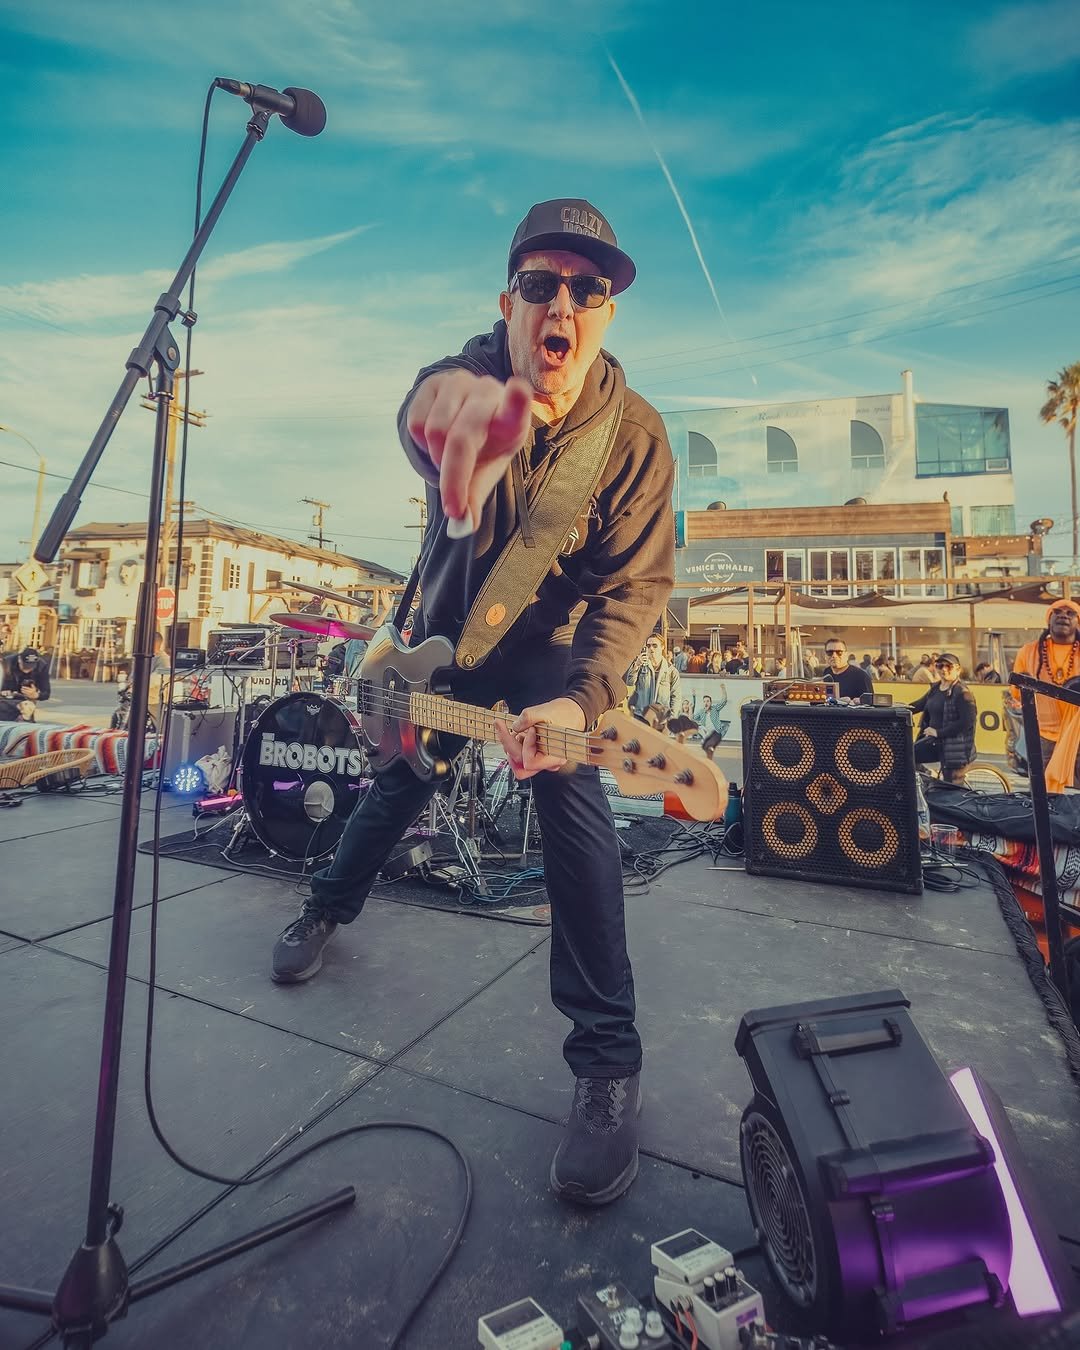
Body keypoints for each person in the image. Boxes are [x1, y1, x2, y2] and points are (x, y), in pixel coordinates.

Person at [270, 197, 674, 1207]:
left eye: (589, 288)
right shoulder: (477, 374)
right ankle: (324, 909)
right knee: (400, 780)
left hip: (551, 654)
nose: (564, 303)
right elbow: (424, 408)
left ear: (608, 312)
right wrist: (453, 423)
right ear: (510, 304)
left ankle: (607, 1064)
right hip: (446, 637)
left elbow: (635, 592)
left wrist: (583, 704)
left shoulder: (633, 442)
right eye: (542, 284)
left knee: (571, 800)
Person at [1013, 600, 1080, 786]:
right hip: (1043, 734)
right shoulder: (1028, 652)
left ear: (1078, 621)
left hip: (1078, 735)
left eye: (1070, 613)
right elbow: (1017, 693)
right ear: (1049, 620)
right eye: (1057, 611)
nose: (1063, 615)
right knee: (1044, 793)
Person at [911, 653, 976, 783]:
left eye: (948, 666)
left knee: (952, 790)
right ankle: (930, 777)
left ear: (958, 669)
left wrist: (938, 732)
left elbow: (966, 723)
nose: (944, 669)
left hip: (953, 747)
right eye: (940, 666)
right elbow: (919, 705)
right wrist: (896, 709)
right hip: (935, 742)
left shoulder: (963, 693)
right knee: (907, 755)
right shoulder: (935, 689)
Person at [630, 633, 680, 719]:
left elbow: (675, 697)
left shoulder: (671, 671)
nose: (651, 649)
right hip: (641, 716)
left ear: (662, 647)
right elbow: (630, 683)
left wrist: (672, 718)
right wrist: (636, 665)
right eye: (648, 646)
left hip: (661, 718)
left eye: (655, 645)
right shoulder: (641, 666)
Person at [1, 646, 51, 719]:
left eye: (31, 667)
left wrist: (36, 695)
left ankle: (26, 718)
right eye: (25, 666)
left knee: (27, 711)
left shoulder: (42, 666)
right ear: (19, 659)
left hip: (26, 703)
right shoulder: (6, 663)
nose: (27, 670)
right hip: (5, 700)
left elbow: (46, 693)